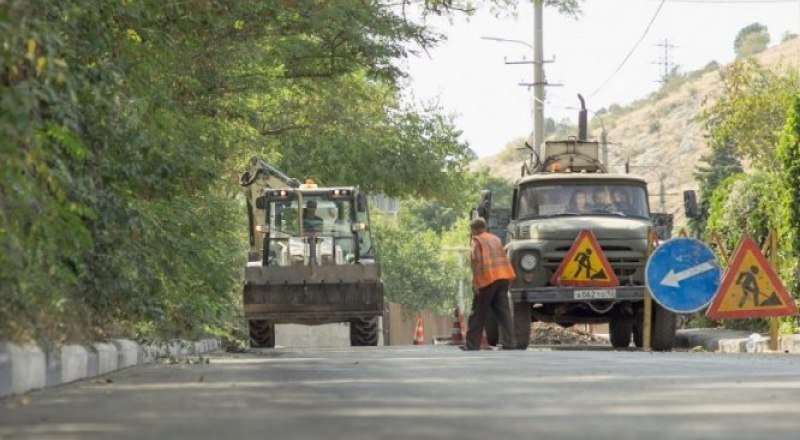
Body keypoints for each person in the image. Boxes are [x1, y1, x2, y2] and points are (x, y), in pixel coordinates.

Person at [465, 218, 517, 350]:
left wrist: (475, 280)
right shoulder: (495, 239)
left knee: (478, 313)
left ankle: (472, 345)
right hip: (503, 277)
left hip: (487, 280)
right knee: (504, 312)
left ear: (474, 230)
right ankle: (510, 343)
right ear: (485, 228)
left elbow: (476, 260)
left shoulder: (477, 240)